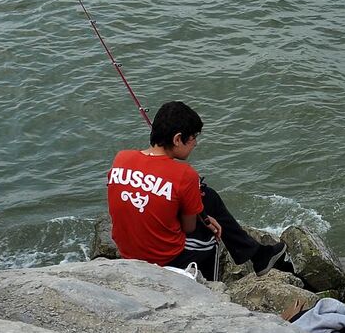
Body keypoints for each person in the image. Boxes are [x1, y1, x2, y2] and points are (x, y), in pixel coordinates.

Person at [106, 100, 288, 281]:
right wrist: (205, 219)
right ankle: (211, 290)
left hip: (128, 252)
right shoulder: (185, 174)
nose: (195, 144)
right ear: (177, 139)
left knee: (207, 196)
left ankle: (258, 256)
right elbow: (189, 227)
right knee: (213, 234)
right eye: (193, 138)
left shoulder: (121, 158)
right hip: (163, 259)